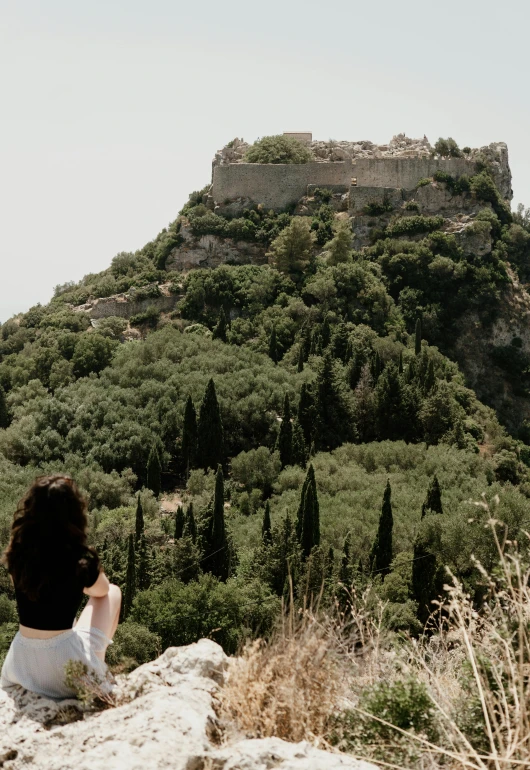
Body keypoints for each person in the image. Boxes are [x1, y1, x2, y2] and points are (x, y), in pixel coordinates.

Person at [0, 475, 122, 700]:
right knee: (113, 592)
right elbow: (102, 592)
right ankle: (97, 663)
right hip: (66, 667)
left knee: (69, 625)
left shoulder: (16, 556)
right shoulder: (79, 561)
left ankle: (91, 659)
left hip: (21, 663)